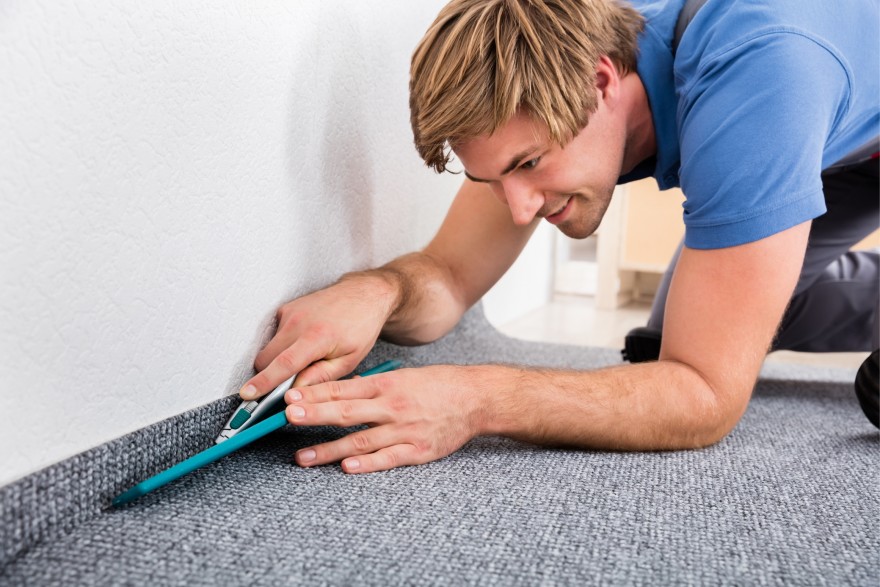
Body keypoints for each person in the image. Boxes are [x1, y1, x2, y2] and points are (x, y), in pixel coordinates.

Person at [237, 0, 879, 474]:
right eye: (492, 178)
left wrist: (475, 399)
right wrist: (377, 291)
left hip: (810, 101)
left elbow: (704, 395)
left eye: (528, 164)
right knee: (675, 338)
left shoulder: (756, 82)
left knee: (697, 363)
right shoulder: (555, 60)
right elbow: (451, 274)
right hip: (833, 125)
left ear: (601, 83)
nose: (519, 209)